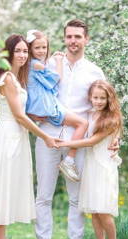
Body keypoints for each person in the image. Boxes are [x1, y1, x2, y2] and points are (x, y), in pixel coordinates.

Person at [32, 19, 118, 239]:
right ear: (64, 38)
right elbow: (35, 96)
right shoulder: (47, 64)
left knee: (77, 196)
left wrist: (116, 137)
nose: (73, 41)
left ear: (86, 40)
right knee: (44, 194)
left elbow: (109, 108)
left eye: (77, 37)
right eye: (69, 36)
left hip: (78, 140)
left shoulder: (94, 71)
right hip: (47, 134)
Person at [0, 34, 60, 239]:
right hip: (8, 138)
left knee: (5, 190)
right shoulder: (8, 80)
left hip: (16, 137)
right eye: (19, 51)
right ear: (9, 53)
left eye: (26, 51)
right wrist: (45, 136)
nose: (23, 55)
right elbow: (19, 116)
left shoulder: (16, 78)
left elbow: (24, 113)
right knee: (2, 192)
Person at [58, 80, 123, 239]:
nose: (99, 101)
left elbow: (92, 141)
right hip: (90, 164)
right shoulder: (89, 114)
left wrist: (66, 143)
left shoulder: (112, 118)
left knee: (104, 210)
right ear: (90, 98)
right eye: (95, 97)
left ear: (109, 99)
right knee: (94, 210)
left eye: (103, 98)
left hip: (103, 165)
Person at [26, 29, 88, 182]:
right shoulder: (36, 65)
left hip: (43, 107)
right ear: (30, 49)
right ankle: (69, 161)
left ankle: (69, 160)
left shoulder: (34, 65)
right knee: (83, 123)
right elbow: (57, 78)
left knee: (81, 123)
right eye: (37, 48)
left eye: (44, 47)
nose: (41, 51)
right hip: (47, 106)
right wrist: (59, 62)